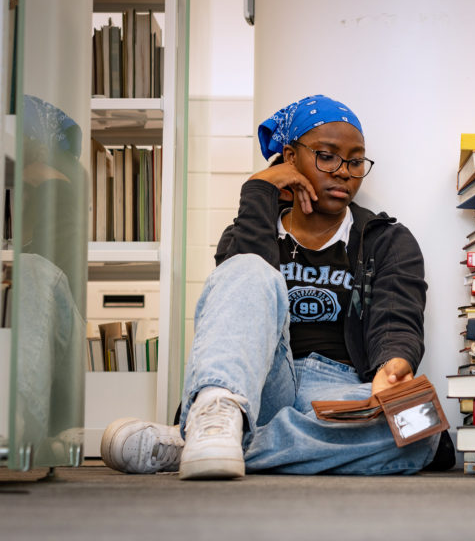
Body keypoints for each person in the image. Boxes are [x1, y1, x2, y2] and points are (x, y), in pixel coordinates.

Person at [100, 94, 453, 479]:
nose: (343, 172)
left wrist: (393, 365)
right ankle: (221, 417)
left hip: (340, 391)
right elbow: (237, 306)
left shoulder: (387, 239)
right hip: (258, 385)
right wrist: (258, 192)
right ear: (290, 157)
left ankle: (199, 445)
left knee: (421, 425)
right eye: (327, 155)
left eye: (354, 161)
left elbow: (397, 317)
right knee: (247, 269)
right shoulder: (247, 232)